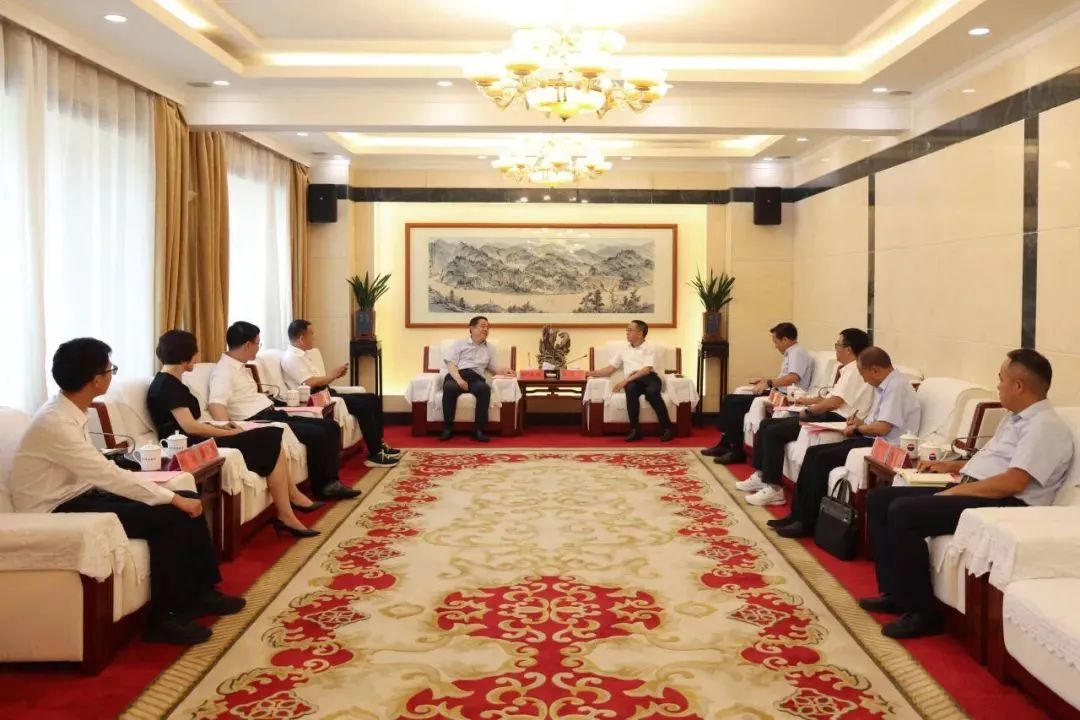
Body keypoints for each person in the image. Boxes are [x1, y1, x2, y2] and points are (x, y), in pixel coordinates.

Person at [10, 338, 245, 645]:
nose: (112, 375)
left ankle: (201, 594)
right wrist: (171, 497)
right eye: (111, 370)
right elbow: (107, 475)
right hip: (58, 508)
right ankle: (165, 619)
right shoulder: (55, 423)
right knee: (172, 515)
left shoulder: (69, 411)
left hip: (81, 493)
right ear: (96, 379)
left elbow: (97, 469)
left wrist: (174, 497)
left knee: (188, 500)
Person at [860, 349, 1073, 639]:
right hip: (980, 489)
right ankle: (896, 594)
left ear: (1018, 386)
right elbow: (994, 462)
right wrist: (952, 466)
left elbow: (1014, 482)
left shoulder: (1044, 427)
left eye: (1001, 379)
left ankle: (922, 612)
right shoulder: (1015, 419)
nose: (998, 385)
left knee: (904, 512)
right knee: (879, 500)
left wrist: (958, 490)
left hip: (1005, 504)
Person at [147, 330, 321, 539]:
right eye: (196, 352)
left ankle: (288, 507)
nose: (198, 356)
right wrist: (223, 432)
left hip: (195, 436)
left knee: (271, 435)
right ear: (186, 356)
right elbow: (190, 427)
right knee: (270, 436)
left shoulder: (171, 381)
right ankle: (287, 513)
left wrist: (224, 427)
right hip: (188, 444)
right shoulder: (166, 385)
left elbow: (190, 423)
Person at [770, 346, 921, 539]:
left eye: (863, 374)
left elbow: (882, 428)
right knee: (814, 453)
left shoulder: (896, 388)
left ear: (875, 370)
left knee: (821, 458)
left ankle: (806, 522)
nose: (864, 380)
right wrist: (859, 423)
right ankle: (796, 516)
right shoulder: (886, 385)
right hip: (873, 439)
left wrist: (857, 429)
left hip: (885, 447)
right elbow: (877, 421)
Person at [208, 322, 359, 501]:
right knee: (317, 433)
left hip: (271, 411)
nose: (258, 348)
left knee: (330, 426)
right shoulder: (224, 371)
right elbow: (216, 404)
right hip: (258, 420)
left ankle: (331, 483)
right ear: (247, 345)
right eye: (258, 343)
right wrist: (231, 432)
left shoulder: (240, 366)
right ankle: (324, 487)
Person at [739, 328, 874, 507]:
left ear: (849, 349)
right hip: (829, 412)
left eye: (837, 345)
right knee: (766, 424)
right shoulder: (847, 370)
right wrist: (805, 401)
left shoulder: (855, 371)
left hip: (836, 418)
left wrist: (811, 411)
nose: (835, 349)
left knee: (774, 431)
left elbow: (835, 402)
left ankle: (774, 489)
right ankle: (762, 475)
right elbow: (830, 397)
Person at [281, 319, 399, 468]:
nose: (314, 337)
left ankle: (379, 444)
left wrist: (333, 376)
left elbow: (319, 379)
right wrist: (333, 375)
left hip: (325, 392)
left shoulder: (305, 354)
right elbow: (310, 382)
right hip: (316, 398)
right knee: (363, 406)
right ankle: (375, 454)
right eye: (312, 334)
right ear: (302, 339)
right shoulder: (291, 358)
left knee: (372, 399)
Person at [703, 322, 813, 464]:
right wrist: (766, 382)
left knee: (733, 402)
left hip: (784, 398)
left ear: (785, 339)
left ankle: (736, 451)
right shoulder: (792, 352)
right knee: (730, 400)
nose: (775, 346)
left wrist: (769, 383)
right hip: (777, 392)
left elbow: (794, 377)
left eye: (776, 342)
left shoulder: (797, 352)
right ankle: (725, 444)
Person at [586, 320, 675, 442]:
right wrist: (591, 373)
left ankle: (667, 428)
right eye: (626, 330)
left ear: (640, 333)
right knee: (631, 389)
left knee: (652, 392)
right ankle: (636, 430)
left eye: (630, 330)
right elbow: (610, 368)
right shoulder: (624, 349)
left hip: (649, 378)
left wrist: (625, 381)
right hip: (634, 381)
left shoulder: (649, 347)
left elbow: (646, 370)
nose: (627, 333)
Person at [441, 316, 514, 442]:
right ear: (472, 328)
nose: (486, 329)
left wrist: (505, 370)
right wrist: (459, 380)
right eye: (482, 326)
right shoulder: (459, 343)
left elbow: (493, 367)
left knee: (484, 389)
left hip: (476, 378)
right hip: (458, 375)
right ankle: (448, 427)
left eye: (487, 327)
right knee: (449, 388)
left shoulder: (489, 348)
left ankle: (478, 430)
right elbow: (451, 364)